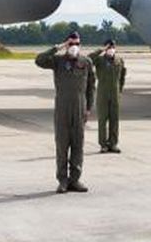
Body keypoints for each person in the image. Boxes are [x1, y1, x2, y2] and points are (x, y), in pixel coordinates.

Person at [34, 31, 96, 192]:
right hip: (62, 109)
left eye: (76, 44)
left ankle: (75, 180)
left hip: (80, 109)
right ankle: (62, 180)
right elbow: (39, 60)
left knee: (78, 146)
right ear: (66, 45)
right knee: (62, 146)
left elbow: (91, 87)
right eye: (71, 44)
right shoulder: (58, 61)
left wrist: (89, 108)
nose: (74, 47)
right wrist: (58, 47)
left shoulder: (86, 62)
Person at [92, 38, 127, 153]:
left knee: (114, 120)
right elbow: (88, 59)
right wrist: (100, 50)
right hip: (102, 93)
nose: (111, 49)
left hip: (115, 94)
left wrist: (119, 91)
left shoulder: (119, 61)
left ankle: (113, 143)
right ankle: (103, 144)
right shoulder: (99, 60)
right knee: (102, 120)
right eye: (109, 47)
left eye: (113, 47)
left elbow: (122, 78)